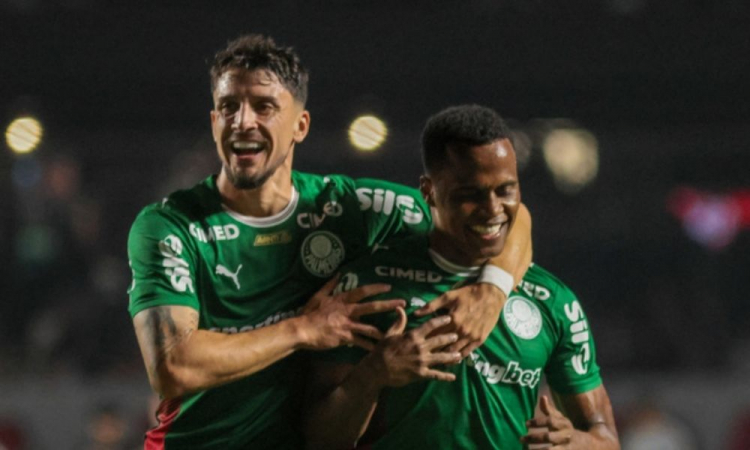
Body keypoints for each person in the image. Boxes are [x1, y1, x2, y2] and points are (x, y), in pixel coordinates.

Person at [127, 36, 532, 448]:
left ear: (300, 125)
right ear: (214, 121)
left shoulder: (349, 208)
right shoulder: (170, 225)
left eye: (264, 107)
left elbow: (505, 216)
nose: (242, 121)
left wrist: (492, 291)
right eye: (229, 107)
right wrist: (304, 329)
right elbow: (174, 366)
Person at [306, 105, 619, 450]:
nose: (492, 209)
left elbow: (605, 439)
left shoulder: (553, 300)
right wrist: (373, 374)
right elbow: (320, 440)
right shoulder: (369, 285)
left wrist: (571, 441)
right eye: (471, 194)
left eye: (505, 190)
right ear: (428, 191)